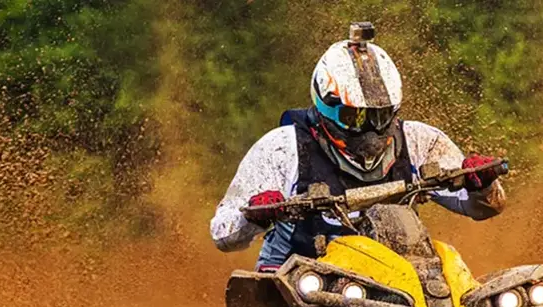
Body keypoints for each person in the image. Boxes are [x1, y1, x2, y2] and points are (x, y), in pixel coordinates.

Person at [209, 23, 507, 271]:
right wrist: (253, 215)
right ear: (325, 103)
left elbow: (483, 208)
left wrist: (481, 185)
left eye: (380, 115)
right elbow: (222, 233)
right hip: (300, 279)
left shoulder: (421, 141)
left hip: (397, 274)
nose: (370, 128)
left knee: (455, 281)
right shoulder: (282, 147)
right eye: (355, 116)